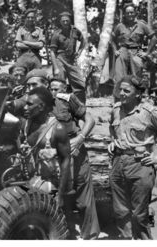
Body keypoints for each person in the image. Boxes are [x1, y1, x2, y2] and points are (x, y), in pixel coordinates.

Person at [108, 75, 157, 239]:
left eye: (127, 91)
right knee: (120, 213)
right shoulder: (116, 109)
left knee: (139, 215)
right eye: (120, 89)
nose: (122, 93)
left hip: (140, 166)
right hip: (118, 164)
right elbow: (112, 129)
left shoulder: (149, 112)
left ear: (138, 94)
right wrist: (113, 142)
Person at [49, 78, 100, 239]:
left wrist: (80, 138)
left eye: (58, 89)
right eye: (51, 88)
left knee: (84, 197)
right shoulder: (40, 102)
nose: (54, 92)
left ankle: (90, 236)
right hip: (53, 154)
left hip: (75, 151)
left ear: (65, 90)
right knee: (58, 195)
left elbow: (90, 120)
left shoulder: (68, 100)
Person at [23, 87, 71, 208]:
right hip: (30, 182)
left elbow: (66, 160)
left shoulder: (57, 129)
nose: (25, 108)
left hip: (50, 187)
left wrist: (60, 195)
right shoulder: (26, 125)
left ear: (41, 107)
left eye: (29, 105)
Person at [112, 3, 157, 100]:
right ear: (124, 14)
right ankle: (118, 100)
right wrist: (115, 50)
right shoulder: (120, 26)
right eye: (127, 13)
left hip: (136, 51)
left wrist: (147, 52)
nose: (130, 15)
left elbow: (153, 37)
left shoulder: (141, 25)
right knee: (119, 77)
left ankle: (137, 99)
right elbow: (111, 39)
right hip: (123, 51)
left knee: (137, 78)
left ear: (135, 13)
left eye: (132, 12)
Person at [50, 11, 86, 103]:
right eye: (63, 21)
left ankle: (80, 106)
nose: (65, 22)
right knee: (59, 83)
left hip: (71, 61)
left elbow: (83, 41)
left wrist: (79, 52)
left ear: (70, 21)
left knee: (80, 84)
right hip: (60, 60)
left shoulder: (75, 31)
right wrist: (56, 68)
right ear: (60, 22)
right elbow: (52, 52)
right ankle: (58, 106)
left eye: (67, 20)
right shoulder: (56, 34)